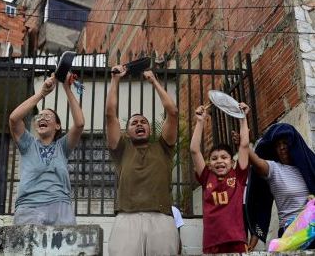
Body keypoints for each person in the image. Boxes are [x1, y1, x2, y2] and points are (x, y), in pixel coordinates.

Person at [105, 66, 179, 256]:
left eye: (143, 122)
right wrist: (115, 80)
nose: (139, 124)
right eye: (134, 123)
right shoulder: (121, 149)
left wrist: (154, 81)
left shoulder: (164, 147)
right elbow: (110, 115)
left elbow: (172, 112)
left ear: (150, 129)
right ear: (127, 131)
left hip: (161, 218)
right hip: (126, 219)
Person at [9, 73, 84, 225]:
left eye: (48, 116)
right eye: (39, 116)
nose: (42, 118)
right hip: (28, 207)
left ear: (57, 126)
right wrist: (42, 93)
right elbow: (14, 118)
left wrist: (67, 88)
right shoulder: (28, 144)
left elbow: (79, 124)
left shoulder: (62, 147)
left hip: (60, 207)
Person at [190, 103, 251, 253]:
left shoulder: (238, 175)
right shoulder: (206, 177)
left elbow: (244, 145)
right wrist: (200, 121)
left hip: (236, 240)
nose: (219, 161)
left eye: (224, 157)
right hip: (212, 242)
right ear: (209, 164)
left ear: (232, 162)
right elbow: (194, 150)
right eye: (214, 158)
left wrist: (243, 118)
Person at [245, 123, 315, 250]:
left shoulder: (308, 168)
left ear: (293, 144)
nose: (282, 147)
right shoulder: (274, 169)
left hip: (312, 230)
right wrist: (245, 145)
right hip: (291, 233)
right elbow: (257, 163)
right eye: (278, 145)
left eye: (285, 143)